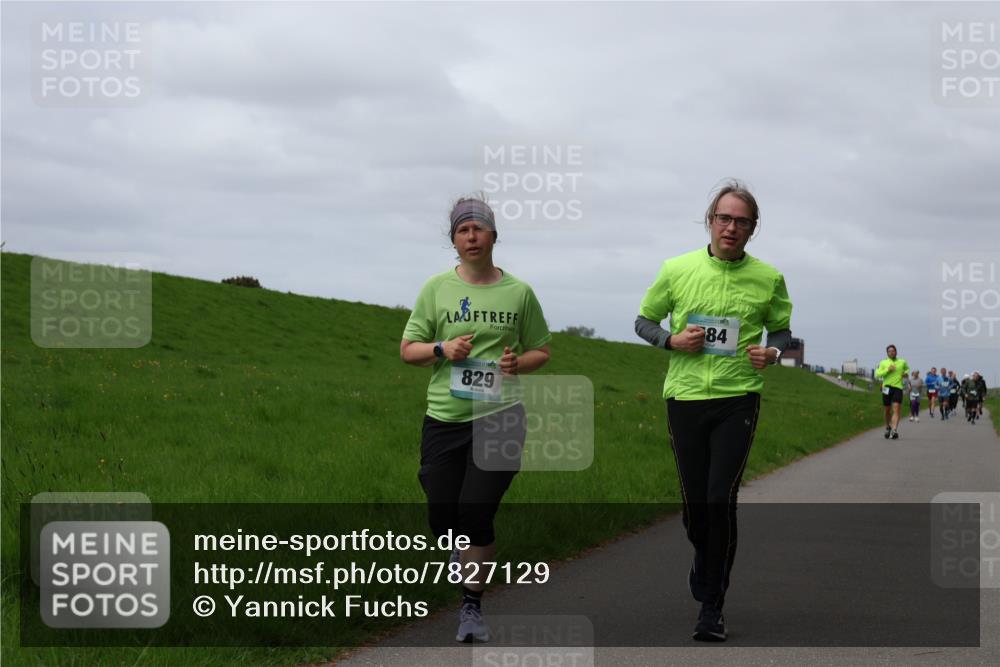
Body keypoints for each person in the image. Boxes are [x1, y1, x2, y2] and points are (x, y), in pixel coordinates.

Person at [634, 180, 792, 642]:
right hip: (684, 397)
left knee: (720, 498)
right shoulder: (676, 269)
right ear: (710, 220)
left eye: (741, 221)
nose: (731, 227)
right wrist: (671, 340)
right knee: (695, 507)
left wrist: (774, 353)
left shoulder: (769, 278)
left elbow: (781, 332)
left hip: (738, 397)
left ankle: (712, 605)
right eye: (724, 218)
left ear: (752, 228)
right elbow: (643, 320)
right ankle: (706, 558)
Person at [400, 195, 552, 642]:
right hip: (444, 417)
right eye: (463, 230)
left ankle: (471, 609)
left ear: (493, 236)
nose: (471, 236)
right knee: (442, 513)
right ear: (454, 240)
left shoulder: (519, 292)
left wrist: (516, 365)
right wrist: (442, 349)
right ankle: (461, 551)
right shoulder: (436, 289)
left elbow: (541, 349)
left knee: (476, 511)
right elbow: (408, 350)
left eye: (478, 229)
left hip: (501, 416)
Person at [875, 345, 910, 439]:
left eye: (893, 351)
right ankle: (887, 427)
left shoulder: (902, 362)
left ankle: (894, 430)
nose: (891, 352)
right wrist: (887, 370)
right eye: (889, 351)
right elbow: (877, 374)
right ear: (887, 353)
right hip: (886, 388)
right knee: (887, 410)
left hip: (898, 387)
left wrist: (906, 373)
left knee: (896, 408)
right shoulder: (883, 362)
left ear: (896, 352)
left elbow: (907, 368)